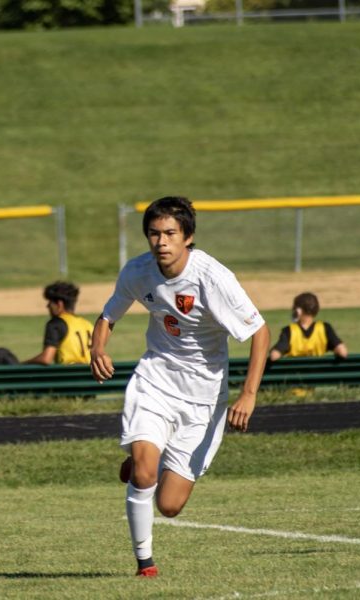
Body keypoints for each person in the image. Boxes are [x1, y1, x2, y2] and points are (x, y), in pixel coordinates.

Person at [90, 196, 270, 578]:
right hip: (155, 380)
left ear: (188, 237)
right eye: (154, 233)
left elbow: (259, 331)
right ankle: (145, 564)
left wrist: (249, 394)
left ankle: (145, 461)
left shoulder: (213, 278)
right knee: (144, 475)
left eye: (170, 233)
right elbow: (108, 316)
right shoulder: (137, 272)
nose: (161, 242)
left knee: (169, 505)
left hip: (204, 397)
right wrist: (97, 347)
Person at [23, 281, 94, 365]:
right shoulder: (88, 324)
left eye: (50, 302)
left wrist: (21, 364)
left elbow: (46, 358)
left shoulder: (56, 324)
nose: (48, 306)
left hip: (68, 375)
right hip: (90, 375)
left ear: (59, 304)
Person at [268, 292, 347, 361]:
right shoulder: (325, 328)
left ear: (298, 311)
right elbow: (343, 352)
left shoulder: (289, 331)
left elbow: (274, 356)